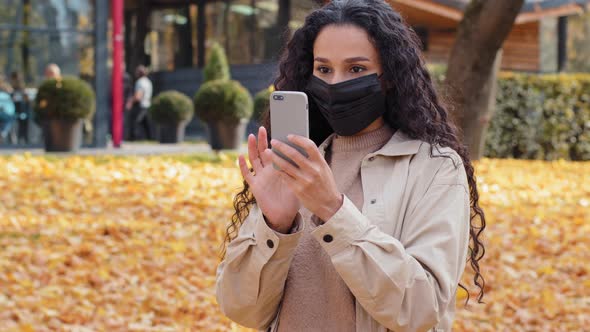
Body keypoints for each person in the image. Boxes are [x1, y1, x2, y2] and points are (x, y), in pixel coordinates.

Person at [215, 1, 486, 331]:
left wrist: (333, 210)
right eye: (324, 70)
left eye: (356, 69)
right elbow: (240, 309)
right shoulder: (295, 167)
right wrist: (275, 226)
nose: (335, 84)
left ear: (389, 76)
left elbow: (421, 308)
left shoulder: (435, 169)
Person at [126, 65, 153, 140]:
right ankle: (150, 137)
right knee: (146, 124)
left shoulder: (140, 82)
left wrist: (130, 101)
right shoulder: (148, 81)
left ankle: (133, 138)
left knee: (135, 122)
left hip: (141, 105)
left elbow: (138, 95)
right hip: (147, 104)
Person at [10, 72, 29, 144]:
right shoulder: (11, 90)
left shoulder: (23, 90)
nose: (17, 81)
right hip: (12, 112)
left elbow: (27, 101)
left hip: (22, 112)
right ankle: (17, 139)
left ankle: (23, 138)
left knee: (24, 120)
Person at [0, 75, 15, 143]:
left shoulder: (6, 86)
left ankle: (3, 133)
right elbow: (12, 93)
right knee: (9, 119)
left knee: (8, 119)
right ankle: (3, 133)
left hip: (5, 110)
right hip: (6, 111)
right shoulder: (6, 86)